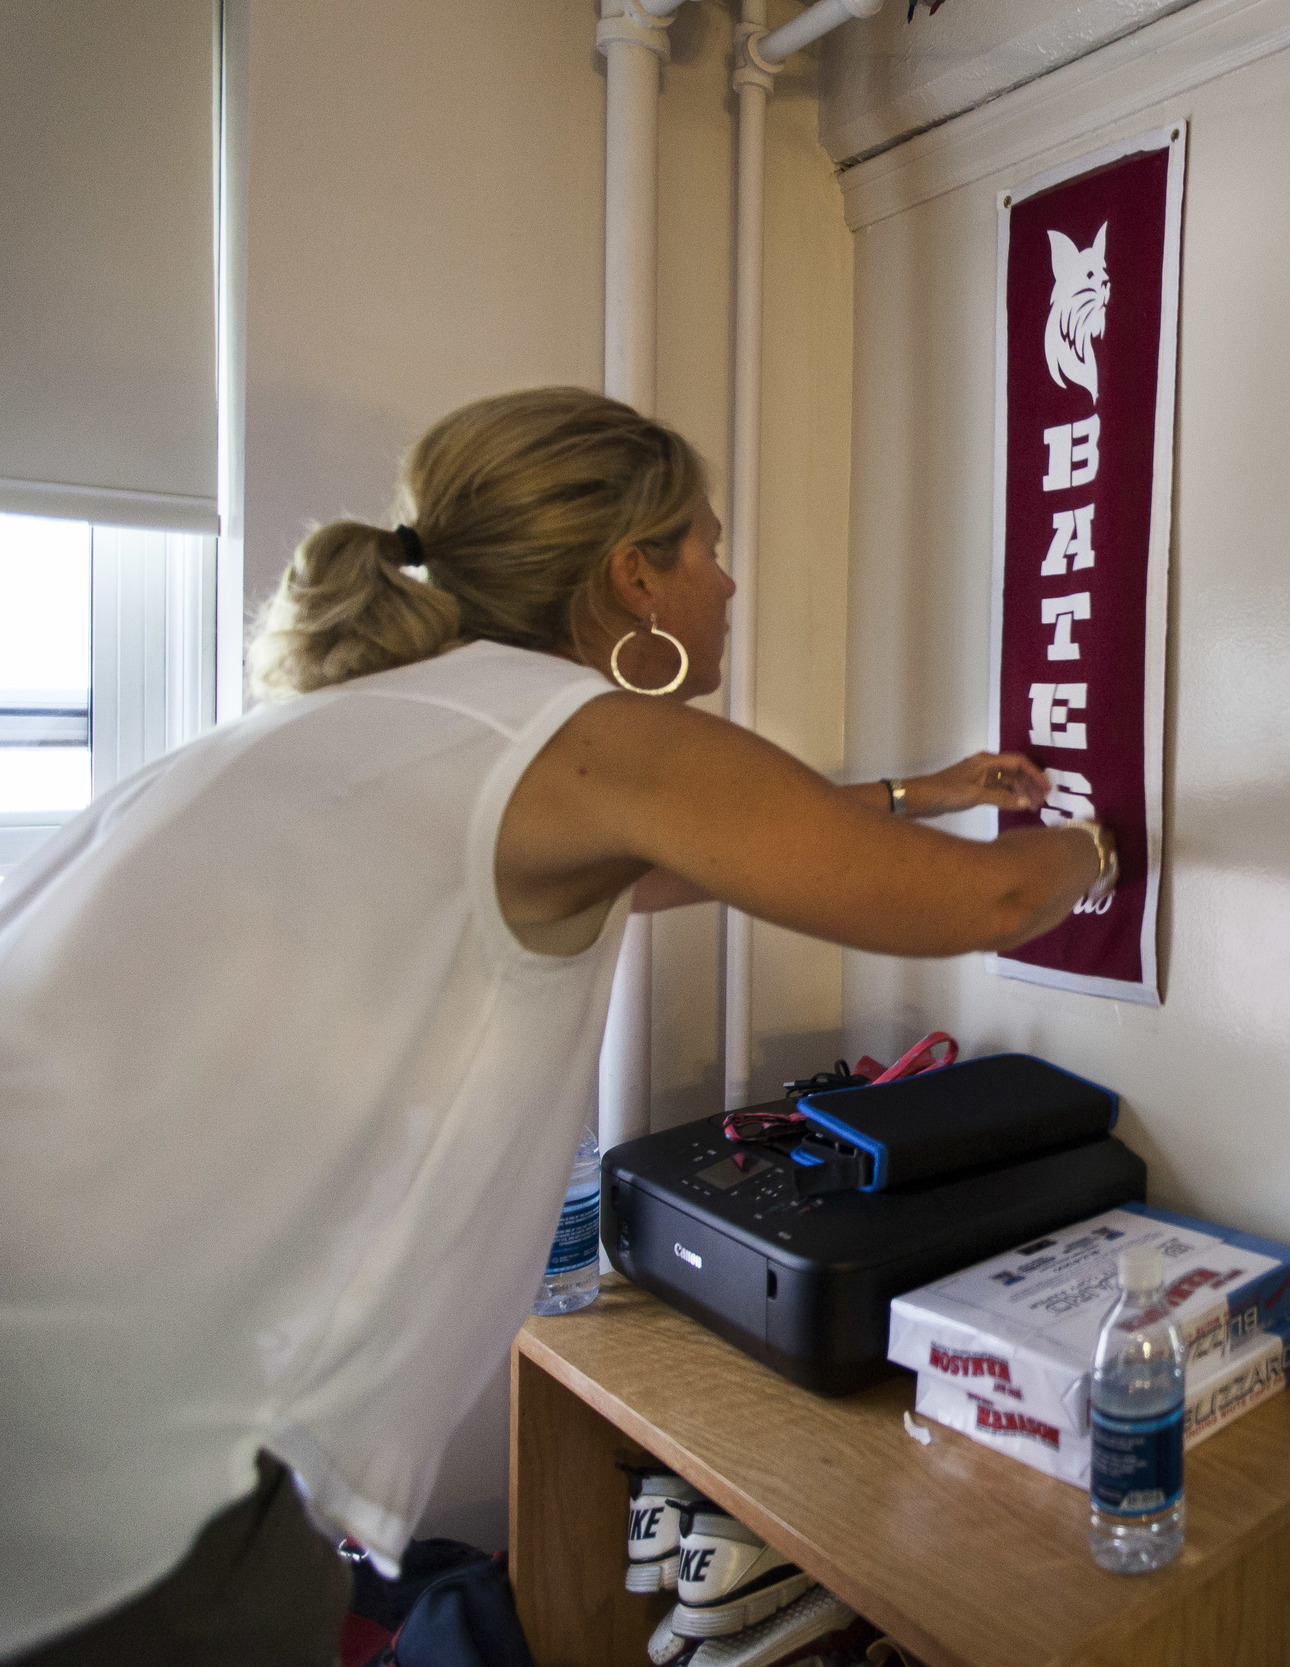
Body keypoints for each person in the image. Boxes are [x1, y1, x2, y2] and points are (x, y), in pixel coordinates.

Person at [0, 388, 1114, 1664]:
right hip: (116, 1429)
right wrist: (1108, 834)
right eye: (706, 544)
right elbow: (992, 897)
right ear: (634, 574)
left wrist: (923, 791)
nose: (730, 580)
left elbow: (663, 855)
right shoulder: (599, 736)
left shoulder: (395, 721)